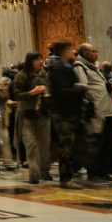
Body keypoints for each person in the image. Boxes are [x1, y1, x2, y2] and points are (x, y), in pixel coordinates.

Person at [46, 41, 87, 189]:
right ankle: (65, 178)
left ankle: (71, 174)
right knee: (66, 147)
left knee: (72, 145)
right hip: (64, 113)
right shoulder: (58, 68)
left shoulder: (64, 66)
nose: (73, 52)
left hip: (70, 112)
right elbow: (63, 91)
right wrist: (81, 89)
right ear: (64, 51)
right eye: (71, 49)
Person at [75, 43, 112, 183]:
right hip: (96, 112)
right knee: (96, 144)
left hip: (107, 110)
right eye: (94, 51)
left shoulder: (95, 67)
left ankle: (104, 171)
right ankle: (94, 173)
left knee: (107, 143)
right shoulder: (80, 67)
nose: (97, 53)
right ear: (86, 53)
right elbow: (84, 87)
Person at [14, 52, 51, 184]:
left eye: (41, 59)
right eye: (37, 59)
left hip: (43, 114)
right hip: (27, 115)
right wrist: (32, 93)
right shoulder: (22, 76)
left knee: (45, 145)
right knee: (31, 145)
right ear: (30, 61)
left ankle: (45, 171)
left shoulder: (45, 74)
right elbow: (16, 95)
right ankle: (34, 173)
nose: (40, 62)